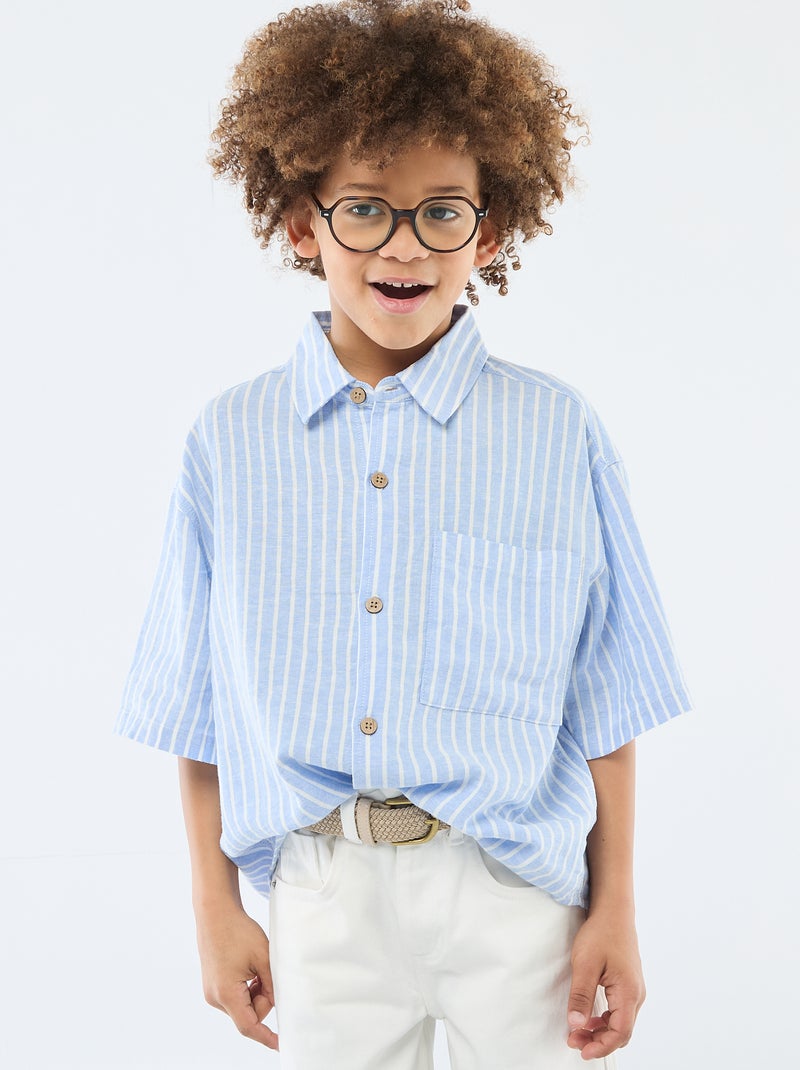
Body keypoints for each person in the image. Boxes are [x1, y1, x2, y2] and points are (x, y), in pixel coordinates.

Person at [114, 1, 692, 1066]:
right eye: (366, 210)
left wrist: (616, 906)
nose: (404, 245)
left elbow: (607, 692)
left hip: (513, 892)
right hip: (322, 895)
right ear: (303, 224)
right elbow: (196, 704)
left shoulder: (556, 432)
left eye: (441, 213)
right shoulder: (229, 442)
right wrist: (214, 907)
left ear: (490, 229)